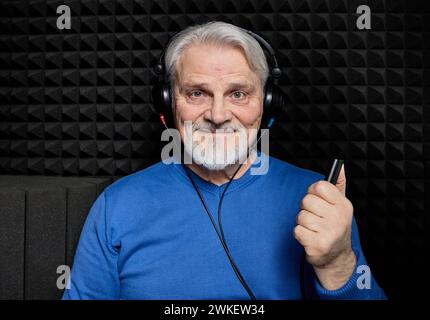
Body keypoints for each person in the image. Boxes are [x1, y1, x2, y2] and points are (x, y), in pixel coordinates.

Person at [62, 21, 386, 300]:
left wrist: (338, 263)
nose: (218, 115)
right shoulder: (117, 205)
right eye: (197, 93)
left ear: (267, 104)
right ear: (167, 103)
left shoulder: (318, 199)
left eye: (238, 94)